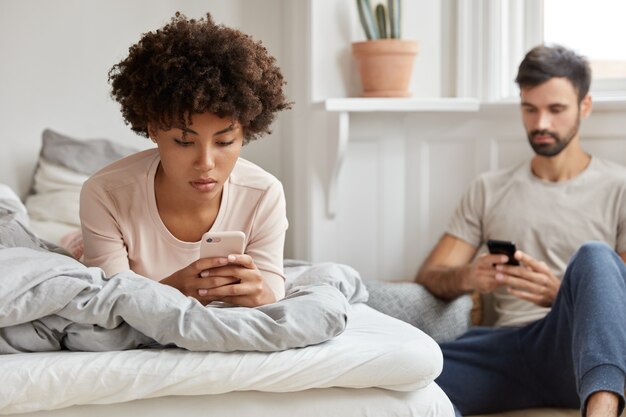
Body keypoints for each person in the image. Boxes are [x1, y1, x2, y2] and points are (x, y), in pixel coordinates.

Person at [416, 45, 626, 417]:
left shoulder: (619, 187)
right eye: (530, 109)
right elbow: (430, 275)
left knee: (595, 256)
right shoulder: (489, 188)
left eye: (556, 109)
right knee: (407, 365)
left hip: (573, 349)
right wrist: (470, 275)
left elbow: (619, 295)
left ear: (585, 106)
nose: (541, 122)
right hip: (507, 352)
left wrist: (563, 296)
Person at [79, 12, 291, 308]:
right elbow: (108, 307)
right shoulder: (104, 194)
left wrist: (262, 296)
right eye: (184, 141)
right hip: (89, 238)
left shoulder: (264, 195)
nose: (205, 163)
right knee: (72, 250)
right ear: (153, 129)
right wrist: (172, 289)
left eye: (224, 141)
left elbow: (274, 299)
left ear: (247, 131)